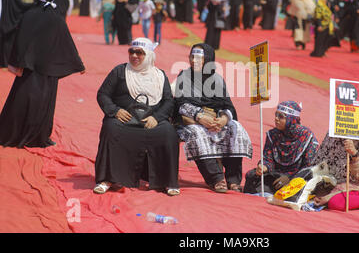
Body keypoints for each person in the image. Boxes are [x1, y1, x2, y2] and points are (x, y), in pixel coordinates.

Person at [0, 0, 85, 148]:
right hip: (48, 70)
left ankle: (12, 133)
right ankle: (38, 137)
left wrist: (17, 63)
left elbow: (19, 41)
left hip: (28, 68)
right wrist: (78, 63)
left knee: (21, 99)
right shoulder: (57, 17)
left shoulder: (29, 15)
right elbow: (66, 42)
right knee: (43, 104)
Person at [94, 38, 180, 195]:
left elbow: (169, 101)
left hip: (151, 120)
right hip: (125, 120)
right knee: (111, 128)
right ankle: (108, 179)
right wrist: (115, 111)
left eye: (139, 53)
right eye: (131, 51)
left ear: (148, 55)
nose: (134, 56)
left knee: (168, 132)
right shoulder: (120, 71)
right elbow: (103, 94)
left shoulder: (160, 75)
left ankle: (167, 182)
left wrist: (157, 118)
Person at [174, 43, 252, 193]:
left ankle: (233, 178)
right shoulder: (184, 76)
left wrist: (223, 119)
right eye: (192, 57)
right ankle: (215, 178)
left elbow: (227, 105)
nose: (194, 61)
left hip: (215, 121)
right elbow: (181, 105)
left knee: (236, 128)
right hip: (190, 121)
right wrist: (200, 117)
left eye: (199, 58)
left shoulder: (216, 79)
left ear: (208, 60)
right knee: (198, 133)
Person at [243, 101, 320, 194]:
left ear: (292, 119)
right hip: (275, 176)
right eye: (276, 115)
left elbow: (309, 167)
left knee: (300, 188)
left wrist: (289, 178)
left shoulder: (306, 137)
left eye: (281, 116)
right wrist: (264, 166)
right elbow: (268, 159)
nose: (276, 119)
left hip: (297, 178)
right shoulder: (273, 135)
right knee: (252, 176)